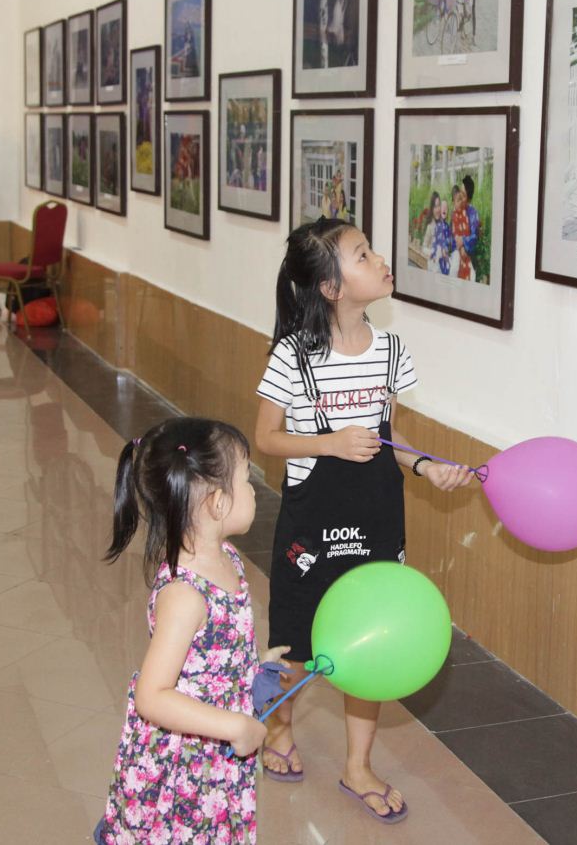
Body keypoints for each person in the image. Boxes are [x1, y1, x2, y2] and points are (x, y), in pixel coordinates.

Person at [253, 218, 474, 822]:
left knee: (367, 638)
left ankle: (357, 766)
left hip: (376, 515)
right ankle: (279, 730)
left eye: (371, 251)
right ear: (331, 287)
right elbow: (265, 438)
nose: (379, 260)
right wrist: (328, 443)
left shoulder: (391, 351)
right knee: (297, 643)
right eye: (362, 254)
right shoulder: (292, 356)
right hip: (312, 522)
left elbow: (387, 433)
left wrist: (425, 466)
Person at [95, 417, 283, 845]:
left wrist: (251, 667)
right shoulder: (185, 596)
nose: (254, 489)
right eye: (246, 478)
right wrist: (235, 726)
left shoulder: (227, 558)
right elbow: (153, 696)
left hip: (215, 753)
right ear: (216, 503)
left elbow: (211, 654)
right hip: (184, 765)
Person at [451, 176, 481, 281]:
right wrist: (458, 245)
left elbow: (475, 236)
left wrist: (463, 241)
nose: (460, 196)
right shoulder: (456, 209)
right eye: (460, 192)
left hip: (468, 255)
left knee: (471, 275)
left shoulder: (473, 213)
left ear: (469, 198)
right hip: (456, 252)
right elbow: (453, 233)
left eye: (463, 195)